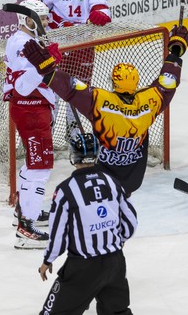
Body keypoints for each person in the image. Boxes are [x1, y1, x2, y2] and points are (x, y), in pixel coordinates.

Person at [22, 25, 188, 195]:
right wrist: (175, 51)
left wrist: (48, 70)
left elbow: (71, 89)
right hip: (133, 181)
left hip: (104, 181)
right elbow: (167, 84)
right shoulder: (149, 101)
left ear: (113, 83)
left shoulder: (100, 101)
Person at [38, 132, 137, 315]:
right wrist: (115, 242)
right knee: (117, 312)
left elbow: (58, 233)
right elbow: (131, 221)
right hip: (115, 262)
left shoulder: (65, 190)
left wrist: (48, 260)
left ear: (73, 156)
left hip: (82, 267)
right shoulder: (113, 182)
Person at [4, 0, 63, 249]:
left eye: (46, 17)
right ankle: (25, 228)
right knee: (41, 168)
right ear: (27, 20)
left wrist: (47, 62)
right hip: (30, 110)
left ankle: (27, 209)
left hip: (37, 109)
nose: (46, 22)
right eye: (41, 18)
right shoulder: (21, 43)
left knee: (34, 165)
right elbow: (22, 87)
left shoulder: (31, 41)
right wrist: (46, 65)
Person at [38, 0, 111, 143]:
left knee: (78, 90)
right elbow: (41, 10)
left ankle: (73, 130)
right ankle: (47, 131)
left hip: (82, 45)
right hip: (57, 44)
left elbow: (102, 8)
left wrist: (99, 14)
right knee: (53, 88)